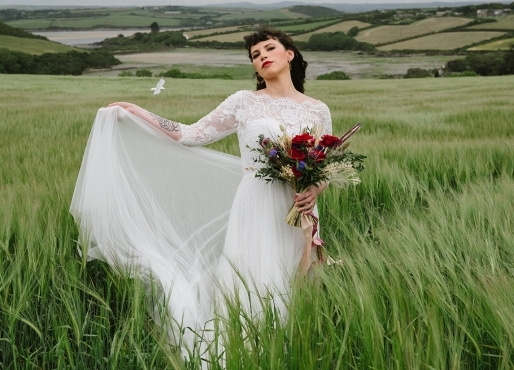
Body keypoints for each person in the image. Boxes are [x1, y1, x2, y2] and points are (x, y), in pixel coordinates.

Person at [70, 27, 332, 361]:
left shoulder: (317, 110)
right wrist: (139, 112)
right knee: (253, 280)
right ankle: (245, 353)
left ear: (289, 54)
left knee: (295, 280)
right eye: (255, 55)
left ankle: (291, 352)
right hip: (256, 204)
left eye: (269, 49)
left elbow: (327, 165)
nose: (262, 56)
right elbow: (191, 134)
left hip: (300, 210)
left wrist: (313, 189)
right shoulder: (244, 103)